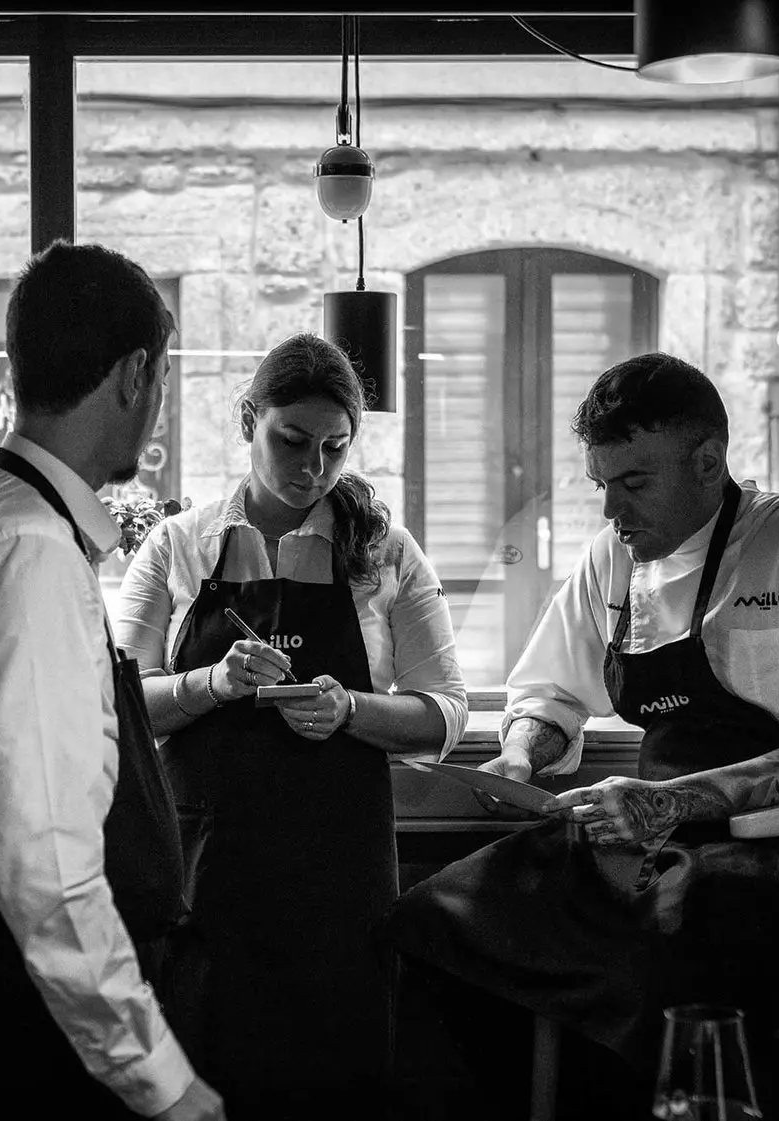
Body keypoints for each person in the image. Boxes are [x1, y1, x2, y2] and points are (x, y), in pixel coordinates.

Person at [385, 352, 779, 1120]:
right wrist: (521, 751)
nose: (612, 512)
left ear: (708, 461)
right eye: (603, 486)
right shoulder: (614, 560)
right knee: (437, 922)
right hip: (657, 839)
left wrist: (669, 800)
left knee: (652, 951)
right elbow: (551, 691)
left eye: (634, 484)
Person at [0, 240, 224, 1121]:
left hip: (27, 982)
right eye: (159, 380)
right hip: (54, 1018)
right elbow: (45, 862)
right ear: (134, 376)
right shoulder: (28, 550)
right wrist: (164, 1082)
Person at [112, 331, 469, 1118]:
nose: (314, 468)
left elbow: (445, 711)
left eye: (336, 448)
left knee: (336, 1078)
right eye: (293, 440)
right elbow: (119, 702)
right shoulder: (180, 544)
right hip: (208, 866)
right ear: (248, 420)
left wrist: (350, 709)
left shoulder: (384, 550)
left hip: (339, 874)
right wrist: (210, 682)